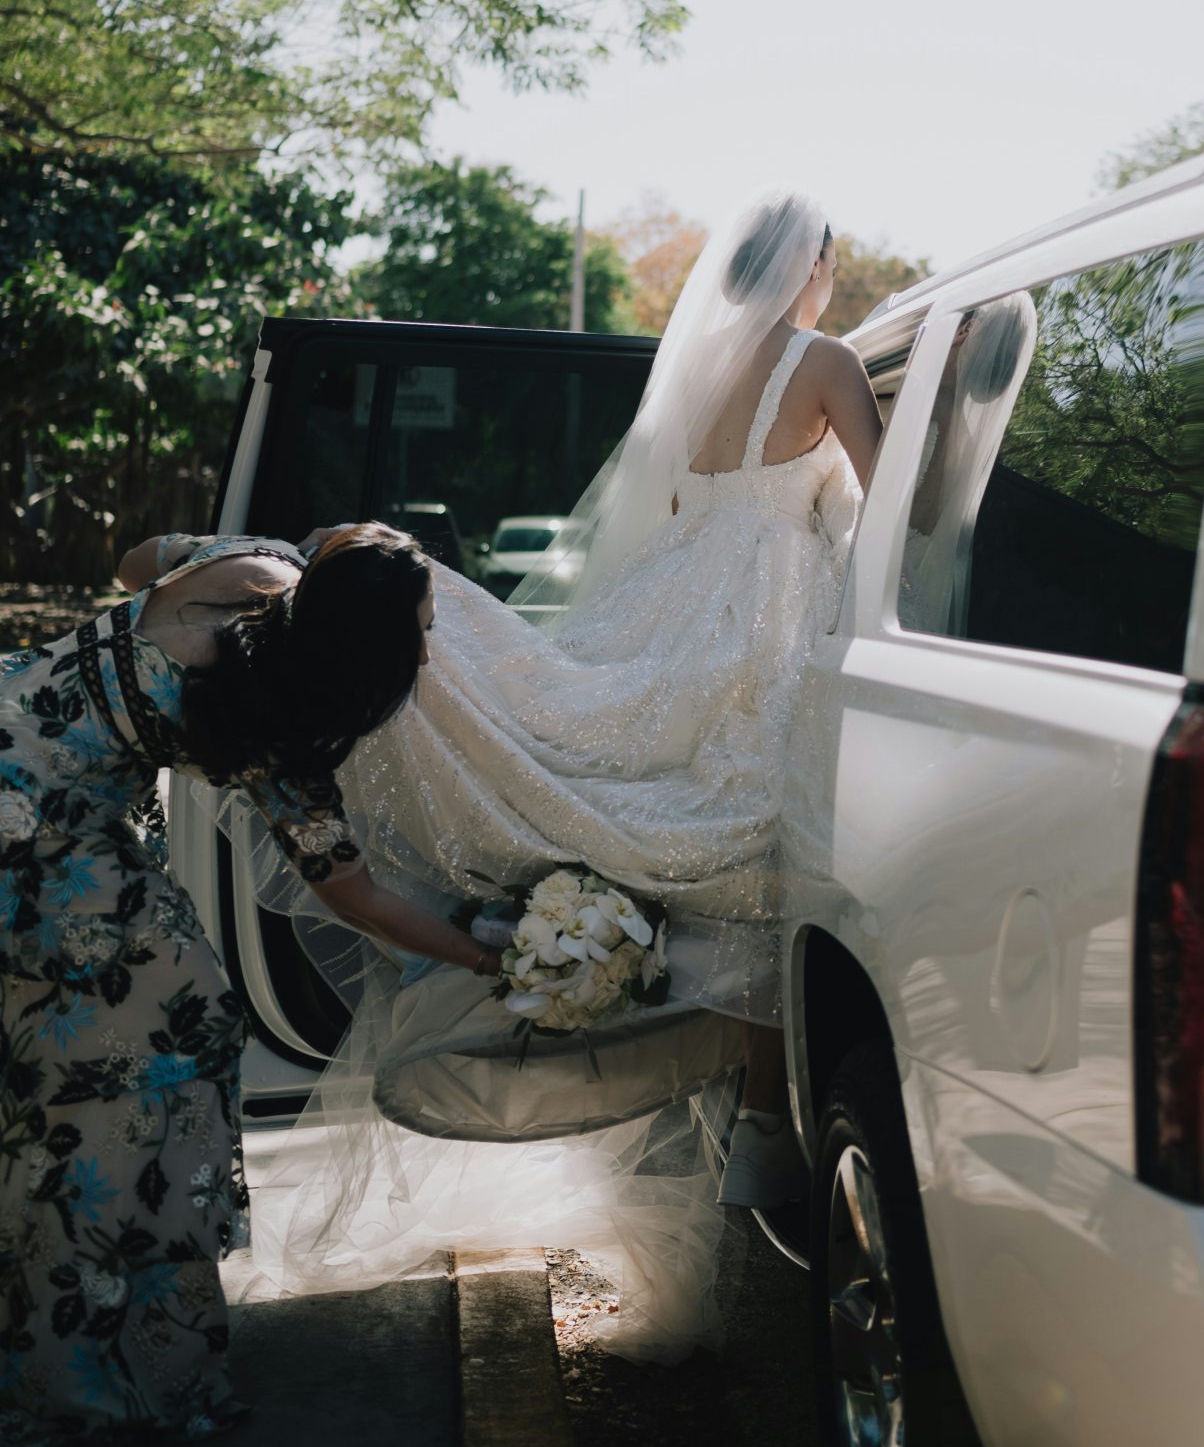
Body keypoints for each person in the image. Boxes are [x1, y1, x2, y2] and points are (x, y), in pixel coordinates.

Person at [292, 188, 882, 1331]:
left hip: (678, 611)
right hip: (770, 619)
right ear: (807, 265)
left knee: (670, 830)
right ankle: (764, 1120)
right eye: (829, 260)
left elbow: (670, 509)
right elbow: (885, 499)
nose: (830, 281)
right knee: (766, 852)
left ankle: (724, 1131)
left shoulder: (698, 369)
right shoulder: (826, 361)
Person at [0, 523, 487, 1447]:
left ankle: (61, 1330)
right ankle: (119, 1372)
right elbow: (359, 898)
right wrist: (486, 957)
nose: (427, 651)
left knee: (56, 1079)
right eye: (419, 635)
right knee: (171, 1054)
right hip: (42, 850)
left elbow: (134, 560)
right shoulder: (274, 713)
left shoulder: (250, 561)